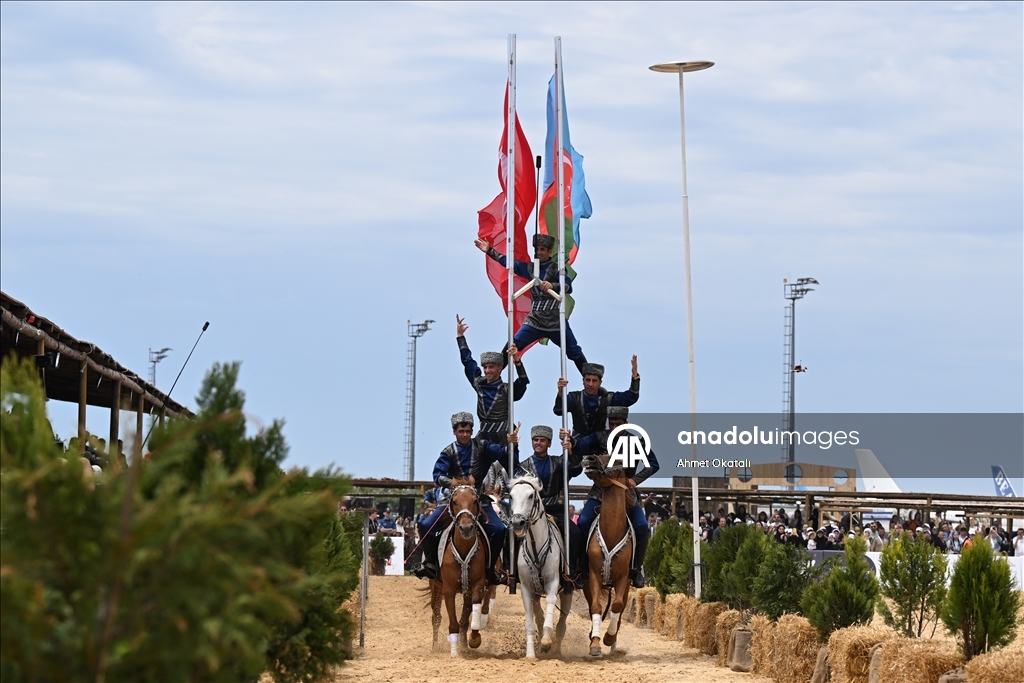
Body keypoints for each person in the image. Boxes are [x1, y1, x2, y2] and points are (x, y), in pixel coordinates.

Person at [413, 412, 519, 585]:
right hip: (453, 501)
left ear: (472, 431)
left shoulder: (483, 446)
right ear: (454, 431)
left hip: (479, 501)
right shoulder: (447, 452)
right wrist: (451, 482)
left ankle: (491, 569)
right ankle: (430, 564)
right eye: (461, 431)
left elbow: (503, 454)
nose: (465, 434)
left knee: (500, 529)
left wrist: (511, 445)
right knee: (425, 525)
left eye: (468, 431)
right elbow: (437, 475)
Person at [565, 405, 659, 588]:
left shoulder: (636, 442)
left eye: (618, 424)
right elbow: (580, 445)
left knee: (641, 526)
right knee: (583, 523)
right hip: (600, 491)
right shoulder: (599, 437)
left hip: (626, 491)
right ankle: (581, 567)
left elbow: (652, 465)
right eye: (612, 423)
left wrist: (635, 480)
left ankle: (636, 569)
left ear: (626, 423)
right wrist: (571, 442)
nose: (615, 427)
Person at [475, 233, 590, 374]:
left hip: (555, 321)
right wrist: (489, 250)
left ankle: (592, 385)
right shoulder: (530, 268)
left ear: (550, 251)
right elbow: (509, 263)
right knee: (513, 345)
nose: (539, 252)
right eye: (537, 249)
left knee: (574, 350)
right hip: (535, 319)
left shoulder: (556, 269)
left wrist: (553, 285)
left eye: (543, 249)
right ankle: (494, 379)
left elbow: (568, 287)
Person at [514, 424, 584, 589]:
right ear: (532, 442)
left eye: (542, 440)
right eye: (535, 440)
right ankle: (511, 571)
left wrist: (571, 451)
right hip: (529, 512)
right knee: (509, 534)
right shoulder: (523, 466)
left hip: (553, 509)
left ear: (549, 443)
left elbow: (576, 469)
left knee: (576, 534)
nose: (538, 443)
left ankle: (574, 572)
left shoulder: (559, 462)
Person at [456, 315, 528, 445]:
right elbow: (468, 362)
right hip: (484, 437)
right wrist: (460, 337)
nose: (488, 370)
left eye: (491, 367)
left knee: (513, 465)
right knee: (472, 462)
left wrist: (517, 361)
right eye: (485, 367)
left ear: (500, 368)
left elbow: (523, 381)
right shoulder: (479, 384)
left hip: (504, 436)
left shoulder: (506, 389)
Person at [554, 358, 640, 438]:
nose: (590, 384)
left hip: (600, 444)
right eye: (588, 380)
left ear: (600, 382)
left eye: (594, 381)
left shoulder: (607, 399)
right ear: (583, 381)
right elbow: (558, 410)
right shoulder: (575, 398)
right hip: (578, 443)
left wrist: (635, 377)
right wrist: (560, 392)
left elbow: (631, 397)